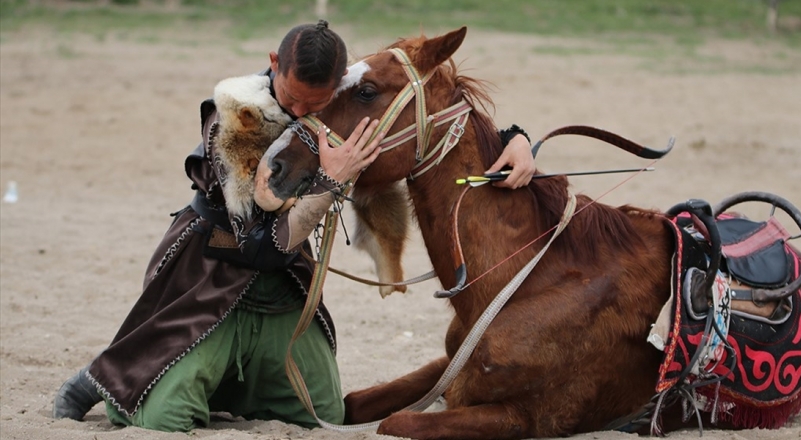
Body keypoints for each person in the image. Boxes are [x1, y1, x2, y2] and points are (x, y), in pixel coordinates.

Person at [52, 20, 536, 432]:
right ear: (273, 64)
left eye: (317, 104)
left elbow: (409, 114)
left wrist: (514, 139)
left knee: (321, 412)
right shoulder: (236, 116)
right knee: (165, 418)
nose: (302, 113)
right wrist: (331, 179)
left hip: (282, 290)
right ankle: (102, 376)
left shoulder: (328, 97)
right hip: (209, 281)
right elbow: (260, 247)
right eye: (295, 100)